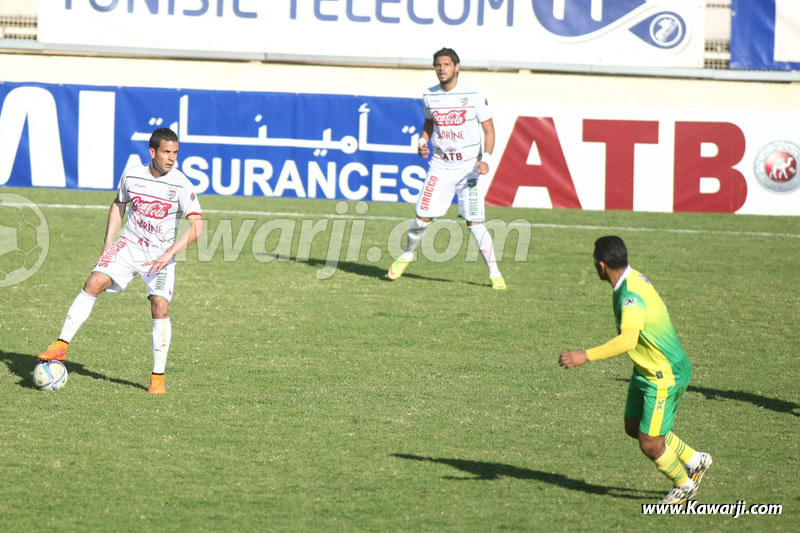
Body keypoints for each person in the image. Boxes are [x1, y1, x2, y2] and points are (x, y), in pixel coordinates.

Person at [37, 128, 203, 395]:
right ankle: (61, 345)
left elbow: (197, 227)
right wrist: (108, 241)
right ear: (152, 152)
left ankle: (157, 377)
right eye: (167, 152)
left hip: (159, 256)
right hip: (129, 245)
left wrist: (168, 254)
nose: (172, 158)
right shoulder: (132, 174)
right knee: (93, 282)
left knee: (159, 307)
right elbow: (119, 204)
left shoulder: (181, 184)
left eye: (175, 153)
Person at [558, 236, 712, 504]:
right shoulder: (630, 279)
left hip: (663, 375)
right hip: (646, 370)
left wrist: (586, 355)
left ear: (601, 265)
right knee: (634, 427)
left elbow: (627, 340)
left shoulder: (630, 295)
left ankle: (684, 485)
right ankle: (695, 459)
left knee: (650, 443)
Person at [387, 47, 506, 290]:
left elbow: (489, 130)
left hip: (469, 168)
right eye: (438, 65)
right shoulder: (430, 96)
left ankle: (495, 273)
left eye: (446, 64)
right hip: (440, 166)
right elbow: (429, 123)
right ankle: (407, 254)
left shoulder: (473, 94)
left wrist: (487, 159)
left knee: (475, 223)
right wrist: (422, 141)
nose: (441, 69)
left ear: (457, 67)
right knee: (421, 219)